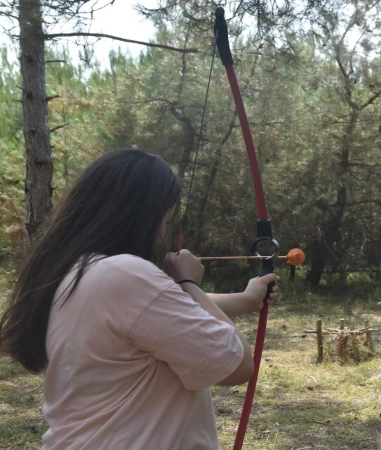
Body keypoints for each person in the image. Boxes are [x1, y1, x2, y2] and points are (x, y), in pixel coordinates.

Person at [0, 149, 278, 449]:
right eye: (165, 220)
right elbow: (235, 365)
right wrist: (188, 281)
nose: (163, 232)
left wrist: (248, 299)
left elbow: (163, 315)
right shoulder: (124, 275)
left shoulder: (77, 271)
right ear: (142, 216)